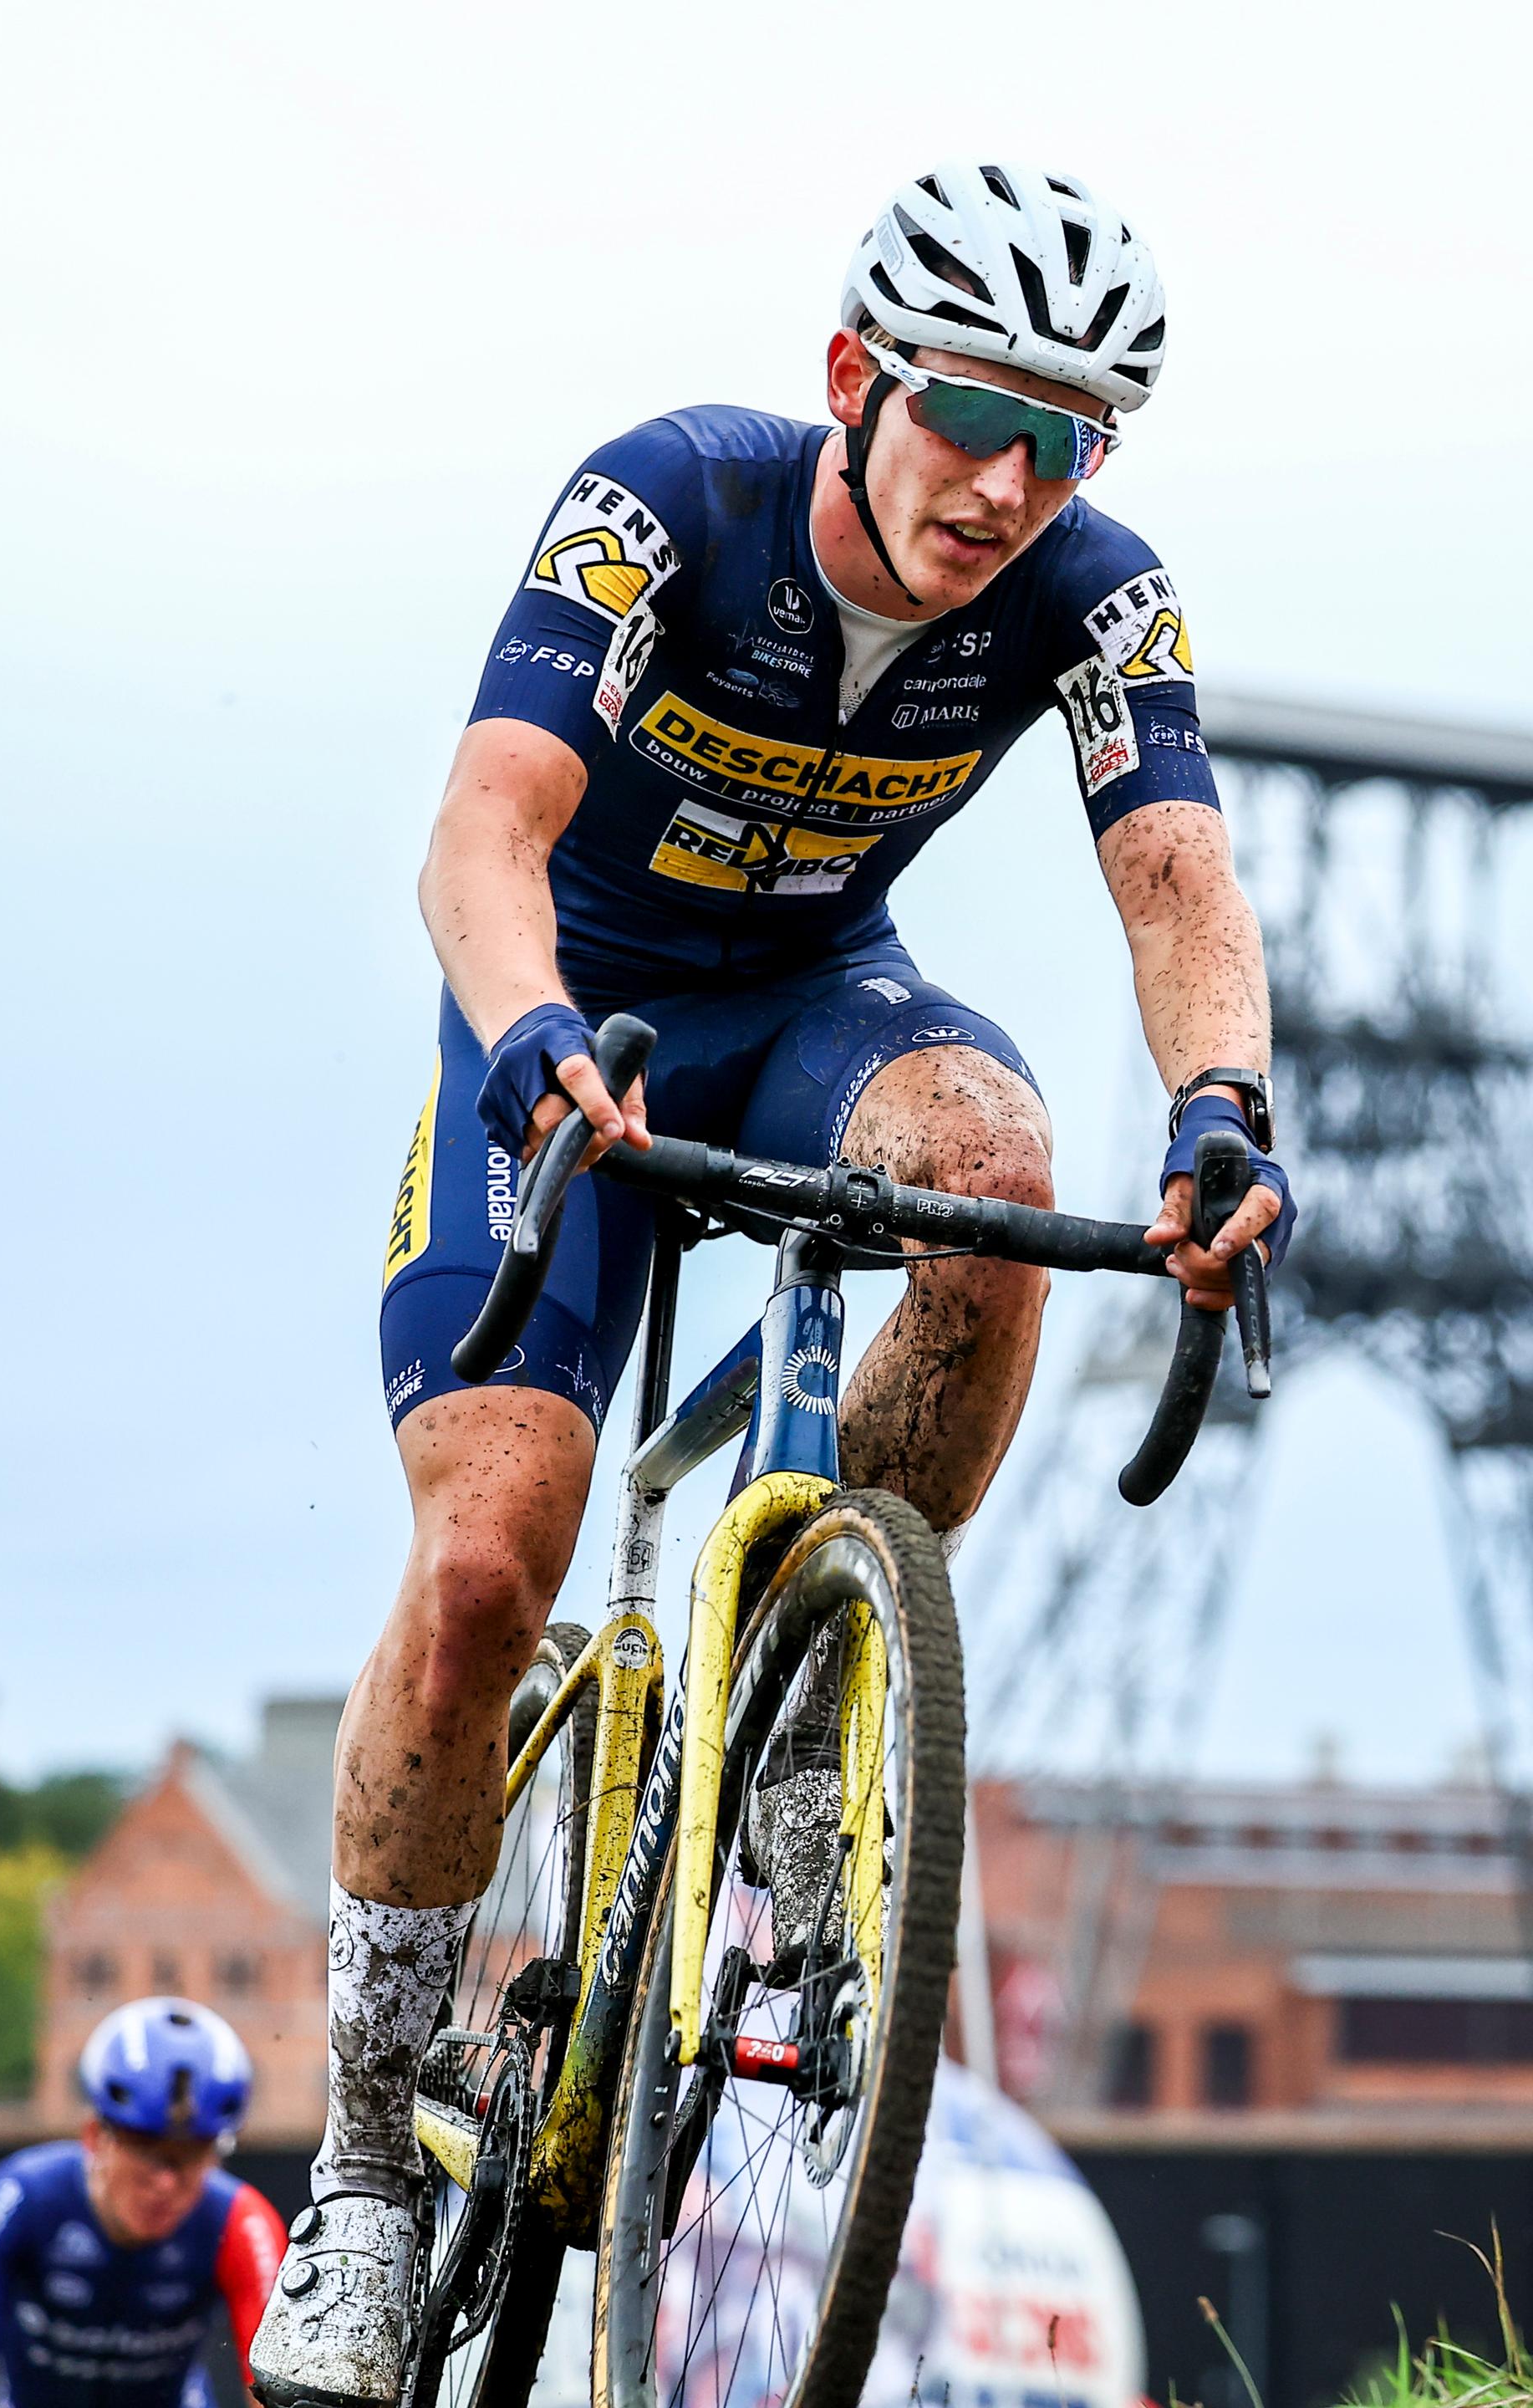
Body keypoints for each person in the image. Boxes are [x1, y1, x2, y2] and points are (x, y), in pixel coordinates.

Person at [251, 155, 1296, 2406]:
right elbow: (485, 830)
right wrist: (527, 1036)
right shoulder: (666, 508)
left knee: (997, 1167)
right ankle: (358, 2162)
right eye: (970, 418)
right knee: (479, 1572)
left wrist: (1224, 1110)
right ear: (853, 379)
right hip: (573, 1017)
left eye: (1072, 440)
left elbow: (1180, 886)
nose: (1014, 483)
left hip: (822, 995)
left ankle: (819, 1748)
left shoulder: (1097, 600)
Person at [0, 1999, 285, 2408]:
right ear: (96, 2137)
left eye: (192, 2154)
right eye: (145, 2148)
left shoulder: (241, 2219)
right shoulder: (21, 2195)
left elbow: (272, 2392)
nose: (166, 2181)